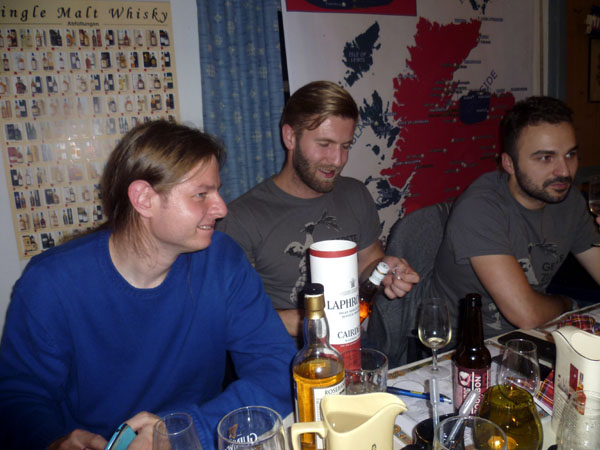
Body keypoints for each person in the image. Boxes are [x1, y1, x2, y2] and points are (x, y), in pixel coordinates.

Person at [0, 121, 297, 450]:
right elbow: (19, 398)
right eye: (201, 195)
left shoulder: (222, 261)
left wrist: (184, 432)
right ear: (144, 199)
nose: (222, 208)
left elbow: (278, 369)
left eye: (217, 191)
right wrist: (53, 442)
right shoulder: (51, 283)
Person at [217, 81, 420, 339]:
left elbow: (368, 262)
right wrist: (315, 321)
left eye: (345, 146)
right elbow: (230, 315)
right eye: (325, 144)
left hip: (353, 348)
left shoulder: (355, 193)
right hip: (285, 356)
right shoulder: (241, 218)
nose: (337, 160)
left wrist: (384, 271)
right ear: (290, 137)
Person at [431, 96, 600, 340]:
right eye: (545, 158)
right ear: (509, 164)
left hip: (536, 334)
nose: (564, 171)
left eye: (570, 154)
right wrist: (567, 304)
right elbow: (526, 315)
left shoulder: (569, 201)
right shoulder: (479, 208)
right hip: (469, 348)